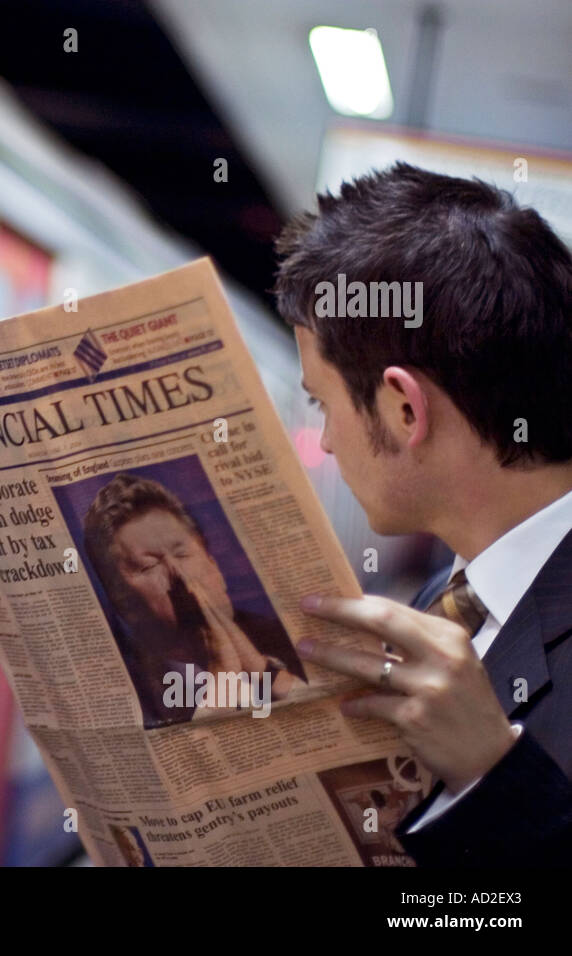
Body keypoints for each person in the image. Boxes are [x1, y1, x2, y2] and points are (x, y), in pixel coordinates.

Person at [274, 162, 572, 866]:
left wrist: (493, 774)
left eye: (323, 404)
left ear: (406, 409)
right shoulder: (451, 595)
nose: (324, 440)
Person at [83, 473, 306, 724]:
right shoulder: (125, 691)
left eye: (182, 553)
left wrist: (261, 669)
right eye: (149, 566)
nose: (178, 575)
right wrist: (223, 675)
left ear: (215, 566)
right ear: (122, 602)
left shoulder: (286, 636)